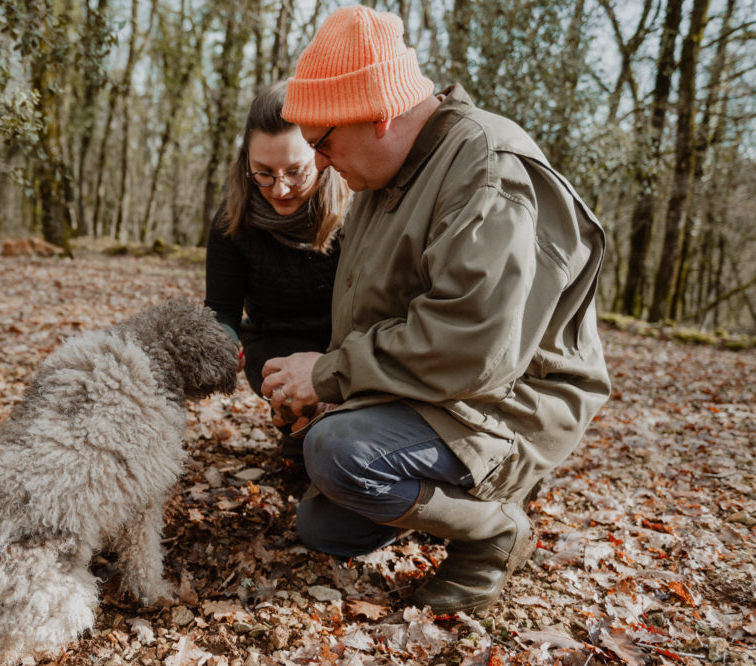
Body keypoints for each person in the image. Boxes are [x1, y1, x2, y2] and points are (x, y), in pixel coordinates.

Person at [259, 5, 611, 614]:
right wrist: (329, 391)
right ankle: (439, 495)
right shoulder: (385, 173)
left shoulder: (488, 171)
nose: (317, 163)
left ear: (382, 114)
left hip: (508, 406)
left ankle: (493, 531)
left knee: (340, 453)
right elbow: (376, 314)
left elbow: (472, 346)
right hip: (441, 393)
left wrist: (328, 375)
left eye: (323, 143)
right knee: (325, 527)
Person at [204, 81, 351, 460]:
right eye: (264, 173)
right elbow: (222, 309)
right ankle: (298, 430)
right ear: (246, 162)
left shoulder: (356, 209)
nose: (280, 189)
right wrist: (223, 340)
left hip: (346, 345)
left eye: (296, 172)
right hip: (272, 344)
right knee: (306, 441)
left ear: (320, 155)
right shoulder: (230, 223)